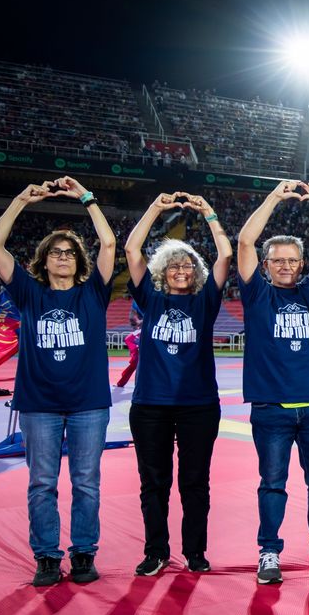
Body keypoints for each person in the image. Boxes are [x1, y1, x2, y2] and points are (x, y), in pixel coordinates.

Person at [0, 177, 116, 586]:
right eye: (55, 252)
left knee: (86, 482)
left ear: (79, 261)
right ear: (44, 260)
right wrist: (21, 199)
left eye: (70, 252)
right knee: (41, 482)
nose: (63, 256)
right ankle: (46, 555)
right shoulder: (28, 293)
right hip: (39, 403)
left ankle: (82, 552)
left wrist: (86, 198)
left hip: (88, 404)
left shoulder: (94, 293)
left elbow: (109, 245)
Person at [237, 180, 309, 584]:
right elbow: (245, 241)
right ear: (266, 265)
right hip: (271, 411)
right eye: (277, 260)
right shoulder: (256, 296)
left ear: (301, 264)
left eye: (291, 260)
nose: (285, 266)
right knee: (273, 484)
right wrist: (274, 197)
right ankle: (269, 551)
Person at [125, 191, 232, 576]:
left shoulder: (205, 301)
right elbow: (132, 249)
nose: (181, 270)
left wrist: (210, 213)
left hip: (198, 405)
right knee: (153, 483)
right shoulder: (150, 299)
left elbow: (225, 257)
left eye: (187, 264)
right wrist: (156, 207)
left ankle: (195, 552)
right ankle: (156, 551)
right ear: (162, 271)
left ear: (196, 271)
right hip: (150, 404)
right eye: (174, 266)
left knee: (195, 483)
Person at [115, 302, 143, 388]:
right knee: (134, 365)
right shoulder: (135, 334)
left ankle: (122, 383)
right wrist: (135, 351)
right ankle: (121, 383)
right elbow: (128, 339)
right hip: (138, 354)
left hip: (142, 353)